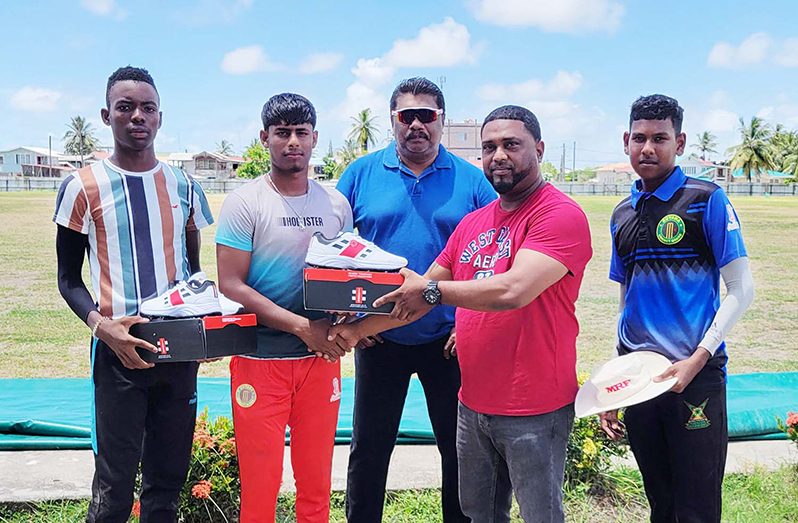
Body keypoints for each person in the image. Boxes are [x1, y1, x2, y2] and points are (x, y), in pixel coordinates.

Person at [331, 105, 592, 523]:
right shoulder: (473, 223)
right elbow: (412, 301)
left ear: (539, 149)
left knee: (540, 515)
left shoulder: (559, 215)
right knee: (477, 514)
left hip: (533, 404)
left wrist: (432, 291)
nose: (499, 156)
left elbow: (512, 290)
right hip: (473, 402)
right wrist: (352, 331)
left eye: (511, 144)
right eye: (489, 147)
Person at [54, 66, 214, 522]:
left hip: (177, 352)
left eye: (147, 108)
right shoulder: (82, 186)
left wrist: (202, 332)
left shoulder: (184, 186)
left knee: (166, 487)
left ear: (160, 117)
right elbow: (68, 279)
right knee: (113, 489)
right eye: (125, 107)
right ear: (107, 115)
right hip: (117, 354)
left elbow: (194, 274)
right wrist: (105, 330)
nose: (137, 116)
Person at [335, 77, 496, 522]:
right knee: (369, 448)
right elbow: (332, 250)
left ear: (441, 121)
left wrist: (468, 323)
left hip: (448, 339)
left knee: (459, 449)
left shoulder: (473, 182)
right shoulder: (360, 174)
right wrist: (349, 316)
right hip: (378, 338)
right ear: (393, 120)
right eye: (407, 116)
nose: (417, 125)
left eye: (427, 116)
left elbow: (494, 257)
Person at [599, 94, 754, 523]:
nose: (648, 148)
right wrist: (616, 380)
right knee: (660, 502)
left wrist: (697, 359)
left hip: (695, 376)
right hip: (641, 380)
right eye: (640, 138)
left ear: (680, 142)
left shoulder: (707, 199)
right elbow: (626, 299)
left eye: (660, 138)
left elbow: (742, 289)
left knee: (698, 508)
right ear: (626, 141)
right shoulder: (622, 213)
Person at [215, 93, 353, 523]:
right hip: (260, 359)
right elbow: (231, 283)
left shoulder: (336, 206)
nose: (292, 141)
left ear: (315, 139)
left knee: (316, 486)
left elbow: (344, 276)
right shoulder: (245, 202)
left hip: (319, 361)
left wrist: (344, 323)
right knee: (261, 488)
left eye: (301, 132)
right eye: (282, 133)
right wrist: (300, 327)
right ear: (265, 138)